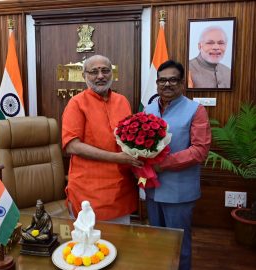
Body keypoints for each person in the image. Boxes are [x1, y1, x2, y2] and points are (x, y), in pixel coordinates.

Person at [144, 60, 211, 270]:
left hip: (179, 192)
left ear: (181, 83)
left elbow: (200, 150)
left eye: (173, 79)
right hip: (153, 189)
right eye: (162, 80)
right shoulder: (148, 109)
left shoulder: (195, 110)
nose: (167, 84)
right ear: (156, 83)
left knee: (179, 244)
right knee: (158, 241)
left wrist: (162, 165)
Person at [62, 54, 143, 223]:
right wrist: (116, 158)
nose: (100, 76)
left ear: (111, 74)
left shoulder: (122, 101)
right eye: (94, 71)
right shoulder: (76, 103)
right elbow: (72, 146)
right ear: (84, 76)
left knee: (119, 243)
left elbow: (130, 139)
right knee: (89, 244)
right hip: (89, 189)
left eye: (105, 70)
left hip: (121, 187)